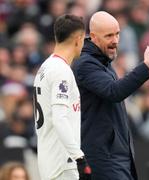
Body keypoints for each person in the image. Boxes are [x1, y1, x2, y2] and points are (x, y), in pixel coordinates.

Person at [72, 11, 149, 180]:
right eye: (109, 35)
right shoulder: (86, 63)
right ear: (94, 37)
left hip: (116, 154)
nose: (115, 40)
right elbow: (115, 92)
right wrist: (146, 67)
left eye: (117, 34)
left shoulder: (103, 60)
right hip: (103, 157)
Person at [33, 14, 91, 180]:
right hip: (62, 164)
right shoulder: (61, 71)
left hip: (48, 160)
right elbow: (60, 118)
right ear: (78, 39)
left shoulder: (45, 67)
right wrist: (79, 157)